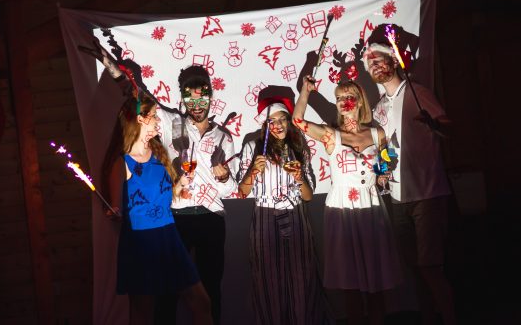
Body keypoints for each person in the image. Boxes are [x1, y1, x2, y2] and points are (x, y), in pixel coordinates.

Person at [92, 39, 235, 324]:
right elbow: (139, 101)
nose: (196, 103)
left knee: (210, 291)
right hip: (175, 217)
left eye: (202, 97)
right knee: (164, 297)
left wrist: (226, 177)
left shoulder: (224, 137)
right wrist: (118, 74)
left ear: (210, 96)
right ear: (183, 98)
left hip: (211, 218)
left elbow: (230, 191)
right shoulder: (171, 123)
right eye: (190, 98)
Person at [293, 76, 401, 325]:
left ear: (360, 101)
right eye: (338, 98)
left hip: (371, 207)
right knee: (351, 285)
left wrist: (384, 171)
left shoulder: (377, 134)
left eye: (348, 96)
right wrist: (305, 91)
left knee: (375, 284)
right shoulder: (332, 135)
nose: (342, 102)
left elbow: (386, 164)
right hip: (342, 209)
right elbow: (298, 121)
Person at [363, 36, 456, 325]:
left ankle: (452, 319)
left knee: (430, 267)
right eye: (369, 63)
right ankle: (429, 318)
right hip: (398, 197)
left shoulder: (417, 92)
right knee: (415, 267)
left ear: (393, 61)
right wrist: (381, 170)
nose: (374, 65)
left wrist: (434, 124)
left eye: (379, 59)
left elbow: (447, 129)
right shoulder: (379, 107)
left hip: (427, 193)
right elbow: (388, 150)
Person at [104, 92, 212, 325]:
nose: (157, 120)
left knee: (201, 303)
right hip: (141, 243)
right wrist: (114, 211)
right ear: (139, 119)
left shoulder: (158, 152)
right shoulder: (121, 162)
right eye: (153, 115)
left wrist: (179, 186)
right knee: (143, 314)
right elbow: (116, 207)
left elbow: (162, 196)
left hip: (169, 237)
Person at [237, 96, 333, 325]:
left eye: (283, 119)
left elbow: (308, 197)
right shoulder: (253, 147)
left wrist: (300, 179)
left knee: (302, 278)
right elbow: (242, 192)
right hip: (265, 217)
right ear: (264, 125)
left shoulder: (298, 147)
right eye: (272, 121)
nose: (278, 125)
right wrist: (252, 172)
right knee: (268, 281)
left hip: (296, 215)